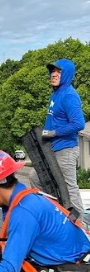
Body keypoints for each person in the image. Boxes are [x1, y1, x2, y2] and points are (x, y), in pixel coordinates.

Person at [32, 59, 85, 218]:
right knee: (36, 178)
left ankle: (82, 228)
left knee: (69, 188)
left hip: (65, 149)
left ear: (67, 74)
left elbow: (79, 123)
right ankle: (53, 215)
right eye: (52, 71)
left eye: (59, 72)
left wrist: (53, 133)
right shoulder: (56, 94)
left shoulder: (69, 96)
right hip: (52, 149)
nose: (54, 74)